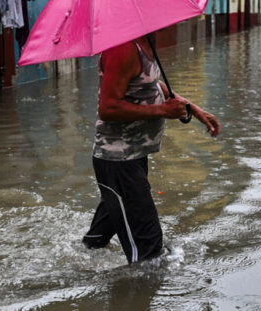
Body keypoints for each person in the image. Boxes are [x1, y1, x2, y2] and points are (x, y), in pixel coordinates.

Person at [82, 34, 220, 263]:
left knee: (95, 242)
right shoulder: (122, 49)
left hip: (135, 154)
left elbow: (150, 83)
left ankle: (84, 261)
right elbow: (108, 108)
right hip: (118, 160)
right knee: (149, 250)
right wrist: (162, 111)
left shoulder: (147, 41)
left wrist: (191, 107)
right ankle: (137, 296)